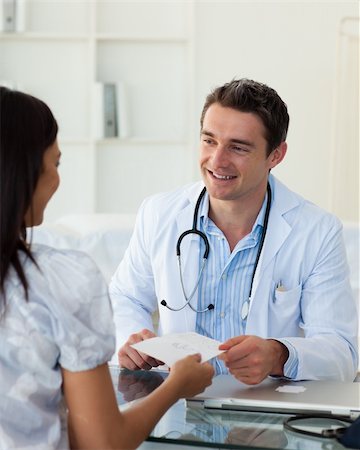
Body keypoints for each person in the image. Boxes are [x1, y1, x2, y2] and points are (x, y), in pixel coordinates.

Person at [0, 86, 214, 450]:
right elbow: (103, 443)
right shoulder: (60, 279)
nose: (57, 178)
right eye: (56, 162)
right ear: (23, 170)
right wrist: (178, 385)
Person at [110, 78, 358, 384]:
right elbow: (126, 297)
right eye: (209, 140)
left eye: (238, 147)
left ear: (276, 155)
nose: (217, 160)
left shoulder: (317, 232)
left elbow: (341, 353)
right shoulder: (158, 213)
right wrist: (132, 340)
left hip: (263, 418)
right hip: (174, 403)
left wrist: (278, 355)